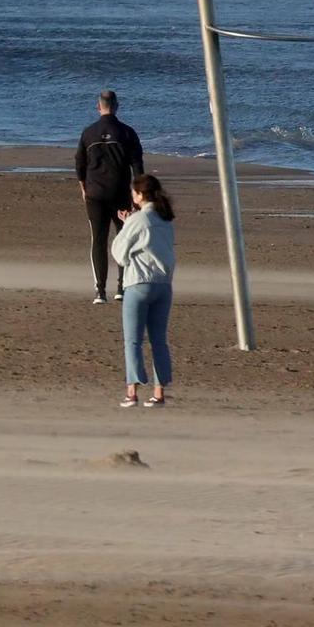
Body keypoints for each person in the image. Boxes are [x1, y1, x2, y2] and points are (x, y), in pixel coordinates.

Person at [108, 173, 176, 408]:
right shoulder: (165, 218)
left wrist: (127, 223)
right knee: (159, 341)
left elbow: (118, 253)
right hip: (163, 285)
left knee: (133, 340)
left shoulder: (139, 219)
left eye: (134, 192)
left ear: (140, 194)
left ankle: (132, 392)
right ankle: (159, 393)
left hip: (139, 283)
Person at [75, 90, 145, 304]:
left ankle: (100, 291)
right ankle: (121, 287)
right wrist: (138, 195)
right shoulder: (126, 132)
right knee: (124, 238)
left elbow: (80, 164)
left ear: (99, 107)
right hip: (120, 193)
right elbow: (138, 167)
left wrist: (83, 188)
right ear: (116, 106)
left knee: (98, 240)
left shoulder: (89, 133)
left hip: (95, 193)